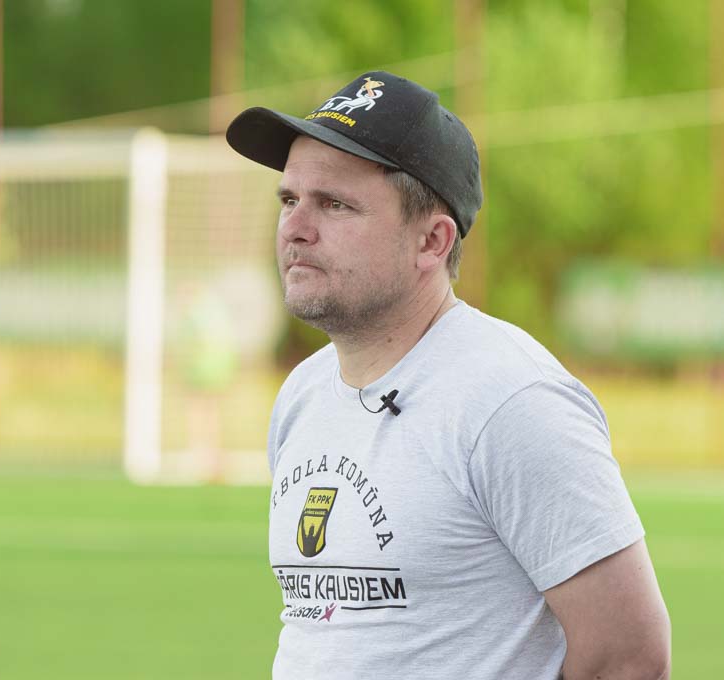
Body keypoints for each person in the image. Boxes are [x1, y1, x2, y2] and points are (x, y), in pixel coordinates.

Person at [225, 71, 671, 679]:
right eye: (289, 200)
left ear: (432, 241)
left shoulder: (511, 401)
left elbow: (629, 658)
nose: (295, 227)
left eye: (335, 204)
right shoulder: (303, 393)